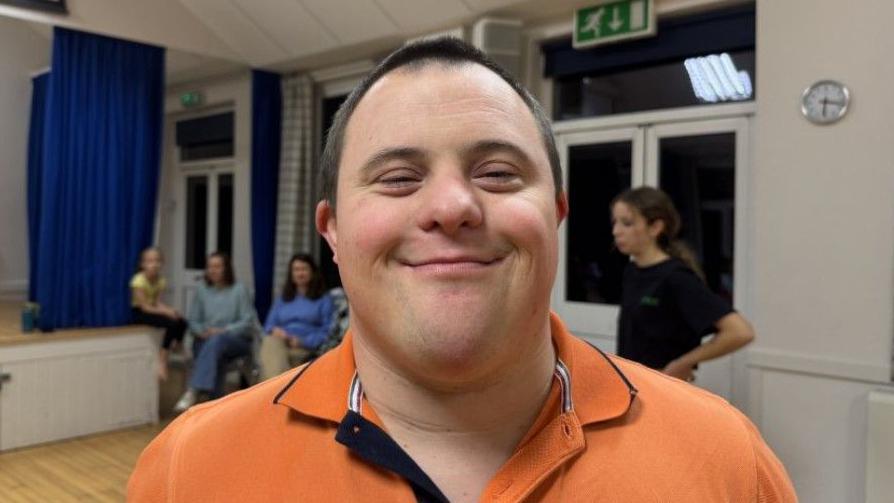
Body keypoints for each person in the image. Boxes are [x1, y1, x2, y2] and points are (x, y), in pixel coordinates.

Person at [129, 38, 796, 502]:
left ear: (556, 213)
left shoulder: (725, 460)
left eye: (498, 173)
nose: (452, 207)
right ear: (332, 231)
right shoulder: (191, 468)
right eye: (398, 177)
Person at [612, 187, 755, 382]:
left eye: (627, 223)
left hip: (662, 388)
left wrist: (682, 363)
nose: (616, 231)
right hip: (631, 383)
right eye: (615, 222)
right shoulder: (631, 271)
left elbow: (740, 332)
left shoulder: (676, 277)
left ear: (655, 227)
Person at [173, 251, 256, 413]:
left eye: (217, 266)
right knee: (216, 354)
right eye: (210, 267)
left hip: (235, 341)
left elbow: (248, 322)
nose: (213, 270)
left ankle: (194, 390)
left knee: (217, 341)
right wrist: (202, 331)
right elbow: (193, 320)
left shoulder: (239, 289)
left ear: (226, 268)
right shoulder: (202, 290)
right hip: (206, 340)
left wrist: (223, 330)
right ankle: (215, 406)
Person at [258, 253, 335, 380]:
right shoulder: (282, 299)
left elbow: (328, 332)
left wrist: (301, 341)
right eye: (296, 270)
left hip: (304, 348)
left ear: (312, 272)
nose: (300, 273)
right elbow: (268, 326)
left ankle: (276, 387)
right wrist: (276, 331)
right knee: (271, 342)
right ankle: (281, 387)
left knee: (270, 359)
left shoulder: (324, 299)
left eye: (304, 269)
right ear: (291, 274)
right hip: (281, 342)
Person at [129, 247, 187, 382]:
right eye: (150, 261)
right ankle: (163, 361)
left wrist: (171, 310)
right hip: (140, 312)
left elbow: (157, 303)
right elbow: (145, 307)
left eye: (157, 261)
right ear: (143, 264)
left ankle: (177, 345)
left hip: (153, 309)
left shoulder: (161, 280)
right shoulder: (138, 280)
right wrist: (166, 312)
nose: (154, 264)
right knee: (171, 323)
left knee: (181, 321)